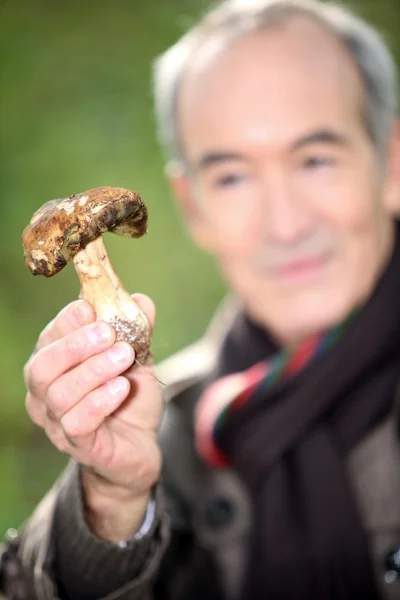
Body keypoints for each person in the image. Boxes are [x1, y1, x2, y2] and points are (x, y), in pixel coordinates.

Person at [1, 0, 400, 598]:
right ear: (191, 205)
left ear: (393, 164)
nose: (284, 224)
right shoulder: (162, 420)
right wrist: (111, 502)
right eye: (232, 176)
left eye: (316, 159)